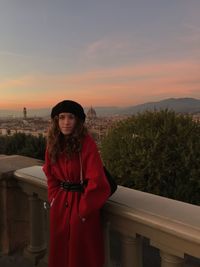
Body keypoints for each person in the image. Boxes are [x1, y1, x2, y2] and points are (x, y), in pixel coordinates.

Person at [43, 100, 110, 267]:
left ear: (78, 121)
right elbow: (49, 173)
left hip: (81, 206)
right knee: (60, 251)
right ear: (56, 121)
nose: (66, 122)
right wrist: (53, 197)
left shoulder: (87, 144)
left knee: (81, 254)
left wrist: (81, 211)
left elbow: (98, 182)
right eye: (62, 117)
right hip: (60, 206)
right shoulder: (52, 144)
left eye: (71, 117)